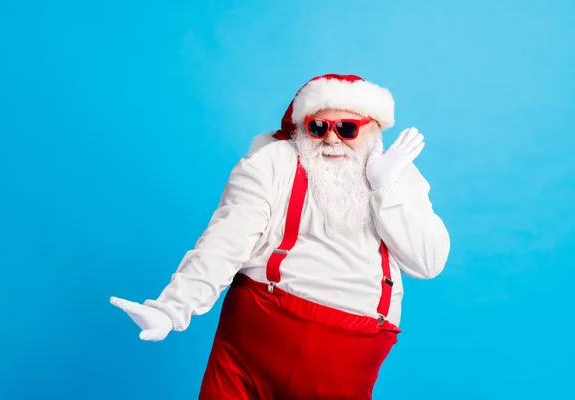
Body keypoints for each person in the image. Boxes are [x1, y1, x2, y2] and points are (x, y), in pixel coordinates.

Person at [110, 73, 451, 399]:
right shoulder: (274, 162)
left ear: (374, 129)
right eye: (318, 128)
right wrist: (171, 309)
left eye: (347, 129)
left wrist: (385, 189)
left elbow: (428, 263)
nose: (332, 139)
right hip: (259, 328)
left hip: (349, 349)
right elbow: (225, 240)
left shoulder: (397, 175)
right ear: (303, 127)